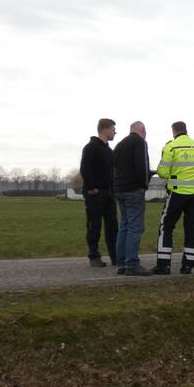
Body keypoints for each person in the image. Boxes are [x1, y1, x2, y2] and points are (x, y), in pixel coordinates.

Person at [152, 121, 194, 275]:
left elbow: (163, 172)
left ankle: (164, 265)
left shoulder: (171, 147)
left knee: (166, 227)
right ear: (186, 130)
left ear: (174, 131)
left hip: (177, 194)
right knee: (191, 228)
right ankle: (188, 266)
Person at [113, 121, 152, 276]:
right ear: (142, 130)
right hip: (133, 189)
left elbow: (115, 167)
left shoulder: (120, 144)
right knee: (135, 226)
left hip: (119, 188)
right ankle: (132, 263)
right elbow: (141, 166)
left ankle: (121, 263)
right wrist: (144, 184)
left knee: (124, 225)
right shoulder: (140, 142)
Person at [79, 118, 118, 267]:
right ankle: (94, 256)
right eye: (113, 129)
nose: (115, 132)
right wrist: (91, 188)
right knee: (94, 225)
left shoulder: (109, 150)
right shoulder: (90, 147)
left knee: (112, 225)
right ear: (105, 129)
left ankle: (115, 256)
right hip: (95, 194)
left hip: (109, 193)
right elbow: (84, 169)